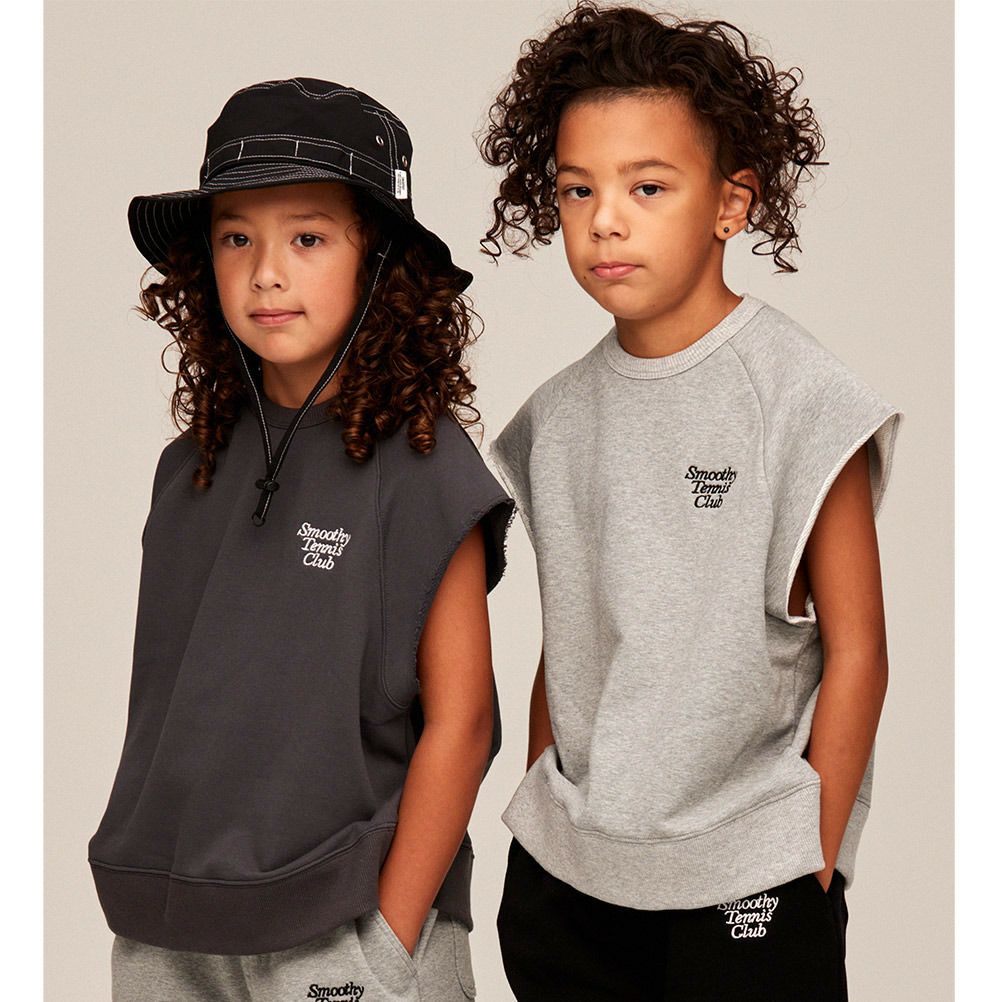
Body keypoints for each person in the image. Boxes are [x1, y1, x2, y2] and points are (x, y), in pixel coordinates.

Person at [479, 4, 902, 999]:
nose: (605, 220)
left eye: (648, 186)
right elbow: (570, 640)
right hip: (570, 883)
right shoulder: (555, 417)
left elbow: (861, 651)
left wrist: (812, 860)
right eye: (577, 188)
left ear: (731, 203)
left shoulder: (799, 398)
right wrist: (545, 818)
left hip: (750, 879)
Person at [88, 77, 512, 1002]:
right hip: (166, 932)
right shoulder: (187, 469)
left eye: (308, 238)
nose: (265, 272)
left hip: (346, 927)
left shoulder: (423, 465)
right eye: (236, 237)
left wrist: (388, 944)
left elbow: (466, 721)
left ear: (379, 261)